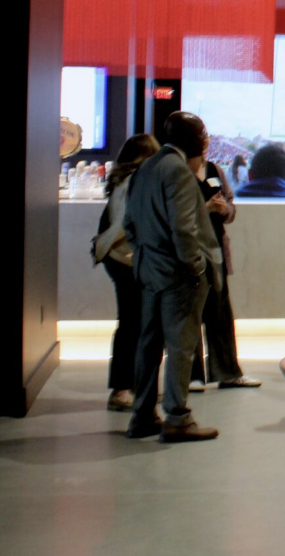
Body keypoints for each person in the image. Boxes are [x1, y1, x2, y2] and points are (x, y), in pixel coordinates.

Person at [122, 112, 221, 443]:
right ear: (192, 138)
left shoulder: (146, 168)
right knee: (181, 345)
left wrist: (147, 258)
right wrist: (195, 265)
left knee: (148, 344)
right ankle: (177, 417)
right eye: (202, 134)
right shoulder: (177, 170)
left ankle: (142, 415)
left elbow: (130, 226)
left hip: (149, 271)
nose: (206, 139)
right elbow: (183, 227)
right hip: (179, 275)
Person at [92, 134, 159, 412]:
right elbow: (130, 223)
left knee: (131, 323)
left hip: (117, 258)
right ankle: (122, 389)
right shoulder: (137, 182)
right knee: (133, 324)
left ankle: (129, 387)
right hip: (127, 259)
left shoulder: (121, 181)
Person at [188, 152, 258, 391]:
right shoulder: (178, 171)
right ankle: (192, 375)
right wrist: (203, 208)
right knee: (190, 314)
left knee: (220, 313)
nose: (204, 143)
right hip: (189, 253)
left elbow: (231, 207)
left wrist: (223, 209)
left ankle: (227, 372)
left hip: (216, 251)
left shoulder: (215, 169)